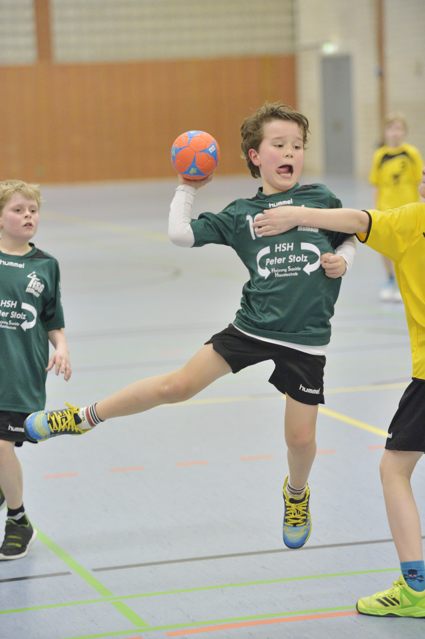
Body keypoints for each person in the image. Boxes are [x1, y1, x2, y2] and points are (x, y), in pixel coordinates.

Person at [24, 102, 355, 550]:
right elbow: (181, 234)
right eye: (279, 145)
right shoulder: (242, 213)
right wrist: (187, 188)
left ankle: (296, 493)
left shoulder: (320, 199)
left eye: (297, 145)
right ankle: (83, 417)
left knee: (300, 439)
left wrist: (343, 261)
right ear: (255, 156)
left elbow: (352, 233)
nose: (289, 152)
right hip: (253, 327)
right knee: (176, 386)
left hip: (306, 340)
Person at [250, 167, 425, 617]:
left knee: (394, 470)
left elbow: (356, 220)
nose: (421, 181)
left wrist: (296, 215)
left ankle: (416, 589)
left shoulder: (413, 221)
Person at [0, 180, 71, 560]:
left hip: (19, 374)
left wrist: (61, 347)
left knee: (0, 444)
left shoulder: (45, 265)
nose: (28, 216)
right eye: (18, 210)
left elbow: (52, 318)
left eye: (32, 210)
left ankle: (18, 520)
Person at [369, 112, 423, 302]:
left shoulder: (412, 153)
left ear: (405, 132)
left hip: (408, 209)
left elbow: (420, 181)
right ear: (385, 132)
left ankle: (405, 283)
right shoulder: (380, 155)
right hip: (386, 210)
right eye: (391, 128)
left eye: (399, 128)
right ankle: (390, 280)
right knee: (386, 247)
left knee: (408, 250)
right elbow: (376, 184)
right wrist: (376, 209)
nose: (395, 133)